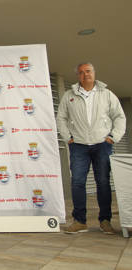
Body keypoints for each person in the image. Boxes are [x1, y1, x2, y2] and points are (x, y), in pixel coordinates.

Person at [57, 62, 126, 234]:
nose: (85, 74)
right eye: (81, 72)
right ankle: (80, 221)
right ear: (77, 76)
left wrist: (113, 137)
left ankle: (105, 221)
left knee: (103, 182)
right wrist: (68, 137)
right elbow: (61, 118)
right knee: (77, 182)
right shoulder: (69, 96)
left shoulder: (106, 94)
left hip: (102, 144)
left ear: (94, 73)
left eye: (88, 71)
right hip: (78, 146)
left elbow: (119, 117)